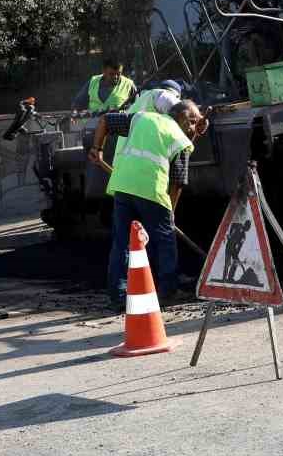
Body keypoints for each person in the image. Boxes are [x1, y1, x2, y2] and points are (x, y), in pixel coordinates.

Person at [89, 98, 209, 311]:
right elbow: (177, 184)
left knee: (122, 243)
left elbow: (105, 120)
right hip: (151, 189)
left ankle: (118, 297)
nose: (193, 127)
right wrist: (170, 215)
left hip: (123, 186)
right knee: (165, 240)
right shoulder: (180, 140)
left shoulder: (142, 117)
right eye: (192, 121)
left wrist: (97, 147)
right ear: (180, 117)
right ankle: (168, 292)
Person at [71, 57, 136, 115]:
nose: (115, 77)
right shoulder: (92, 82)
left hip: (118, 125)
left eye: (118, 74)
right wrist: (74, 114)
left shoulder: (129, 84)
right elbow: (78, 104)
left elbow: (138, 103)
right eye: (111, 74)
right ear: (104, 71)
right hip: (92, 125)